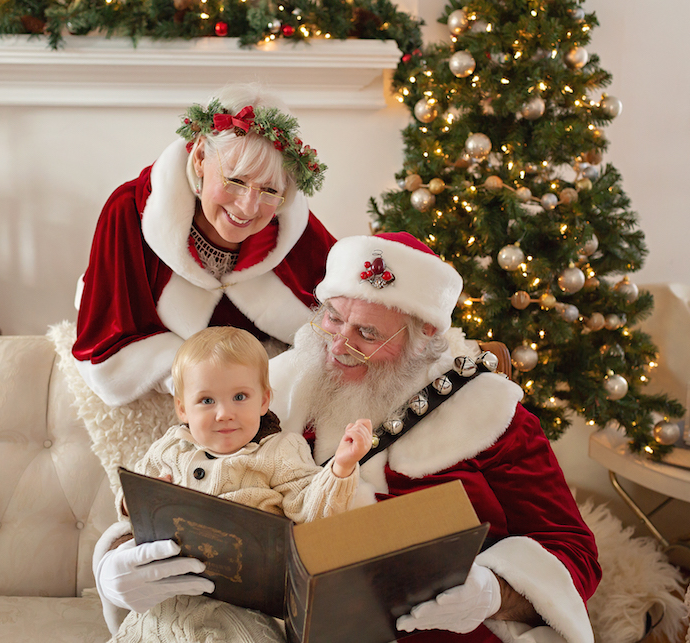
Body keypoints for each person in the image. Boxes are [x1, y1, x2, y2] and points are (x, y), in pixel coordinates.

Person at [268, 232, 601, 643]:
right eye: (334, 317)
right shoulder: (275, 387)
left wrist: (493, 592)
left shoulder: (487, 411)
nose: (338, 345)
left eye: (368, 334)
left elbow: (573, 550)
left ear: (422, 336)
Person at [96, 326, 375, 642]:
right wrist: (131, 502)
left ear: (263, 400)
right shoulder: (170, 447)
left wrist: (341, 467)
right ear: (182, 408)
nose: (224, 413)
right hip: (166, 603)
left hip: (243, 612)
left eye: (240, 397)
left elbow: (310, 511)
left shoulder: (280, 451)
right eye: (206, 400)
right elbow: (132, 499)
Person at [73, 84, 337, 408]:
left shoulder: (288, 225)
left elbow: (345, 302)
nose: (249, 207)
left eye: (268, 189)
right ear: (200, 158)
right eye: (236, 181)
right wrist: (195, 377)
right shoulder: (128, 212)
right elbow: (108, 344)